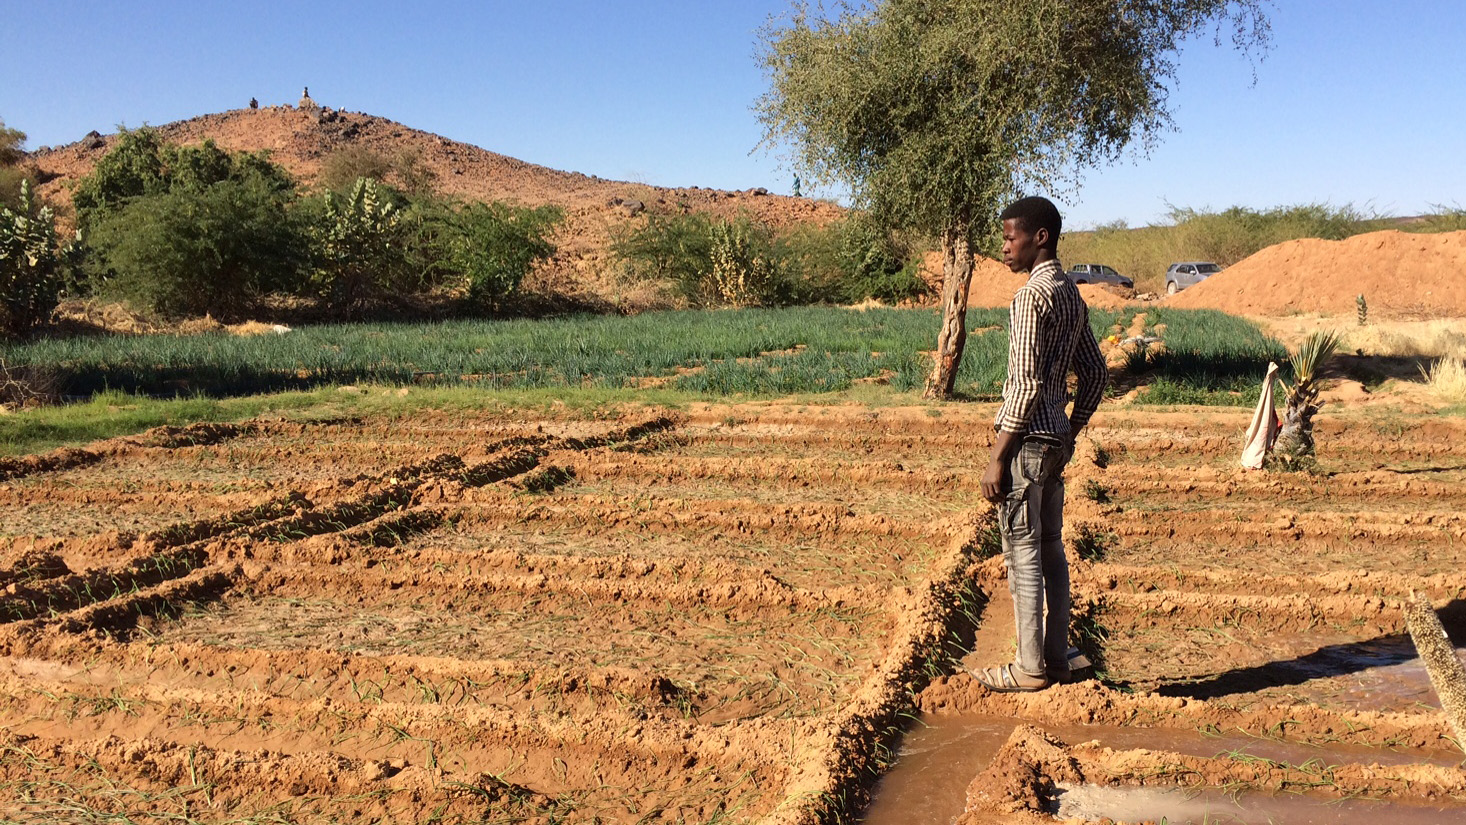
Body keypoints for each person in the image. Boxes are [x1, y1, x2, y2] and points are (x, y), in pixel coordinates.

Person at [970, 195, 1107, 692]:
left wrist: (997, 457)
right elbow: (1095, 372)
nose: (1004, 248)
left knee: (1021, 551)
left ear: (1039, 237)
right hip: (1053, 443)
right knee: (1051, 549)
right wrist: (1070, 431)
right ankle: (1055, 658)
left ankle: (1029, 668)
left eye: (1010, 238)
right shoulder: (1071, 293)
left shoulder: (1030, 297)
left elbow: (1024, 385)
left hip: (1027, 444)